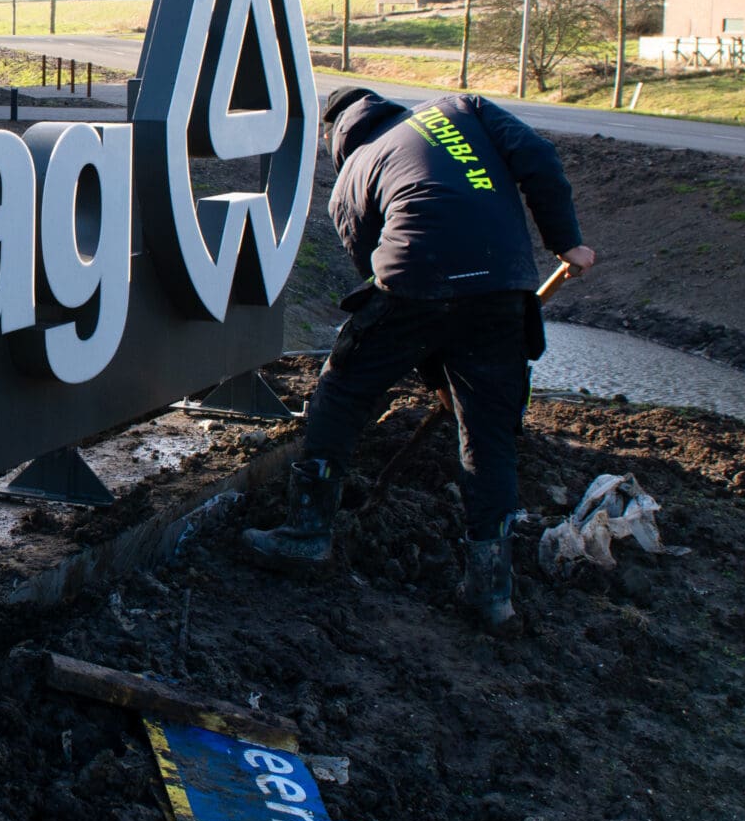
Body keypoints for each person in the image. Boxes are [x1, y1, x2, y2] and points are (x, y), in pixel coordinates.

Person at [242, 86, 597, 628]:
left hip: (416, 272)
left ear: (336, 137)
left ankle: (307, 535)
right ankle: (490, 591)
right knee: (489, 436)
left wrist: (427, 357)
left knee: (342, 390)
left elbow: (386, 283)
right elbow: (539, 157)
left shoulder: (350, 179)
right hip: (504, 285)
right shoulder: (463, 109)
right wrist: (565, 241)